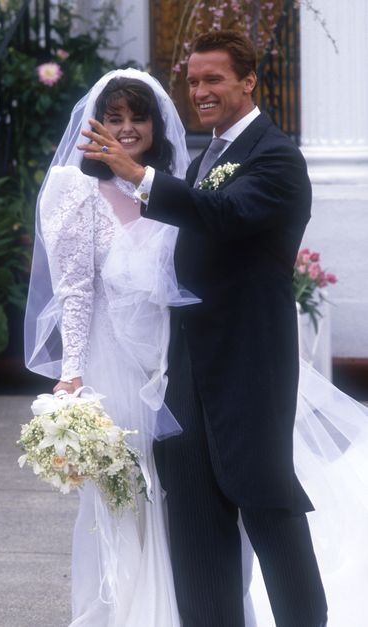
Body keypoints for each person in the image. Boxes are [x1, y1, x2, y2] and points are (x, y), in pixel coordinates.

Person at [78, 31, 329, 627]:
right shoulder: (210, 152)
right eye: (192, 81)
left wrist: (137, 176)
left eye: (213, 79)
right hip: (187, 368)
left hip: (247, 368)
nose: (200, 91)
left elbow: (226, 215)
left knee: (266, 505)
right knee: (193, 516)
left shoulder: (275, 155)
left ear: (248, 82)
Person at [24, 69, 197, 627]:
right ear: (94, 122)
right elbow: (74, 289)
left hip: (167, 358)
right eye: (115, 117)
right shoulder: (75, 190)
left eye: (137, 118)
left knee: (172, 490)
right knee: (123, 490)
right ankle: (124, 611)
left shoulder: (168, 183)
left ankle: (171, 603)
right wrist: (72, 373)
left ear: (156, 125)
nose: (126, 129)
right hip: (112, 361)